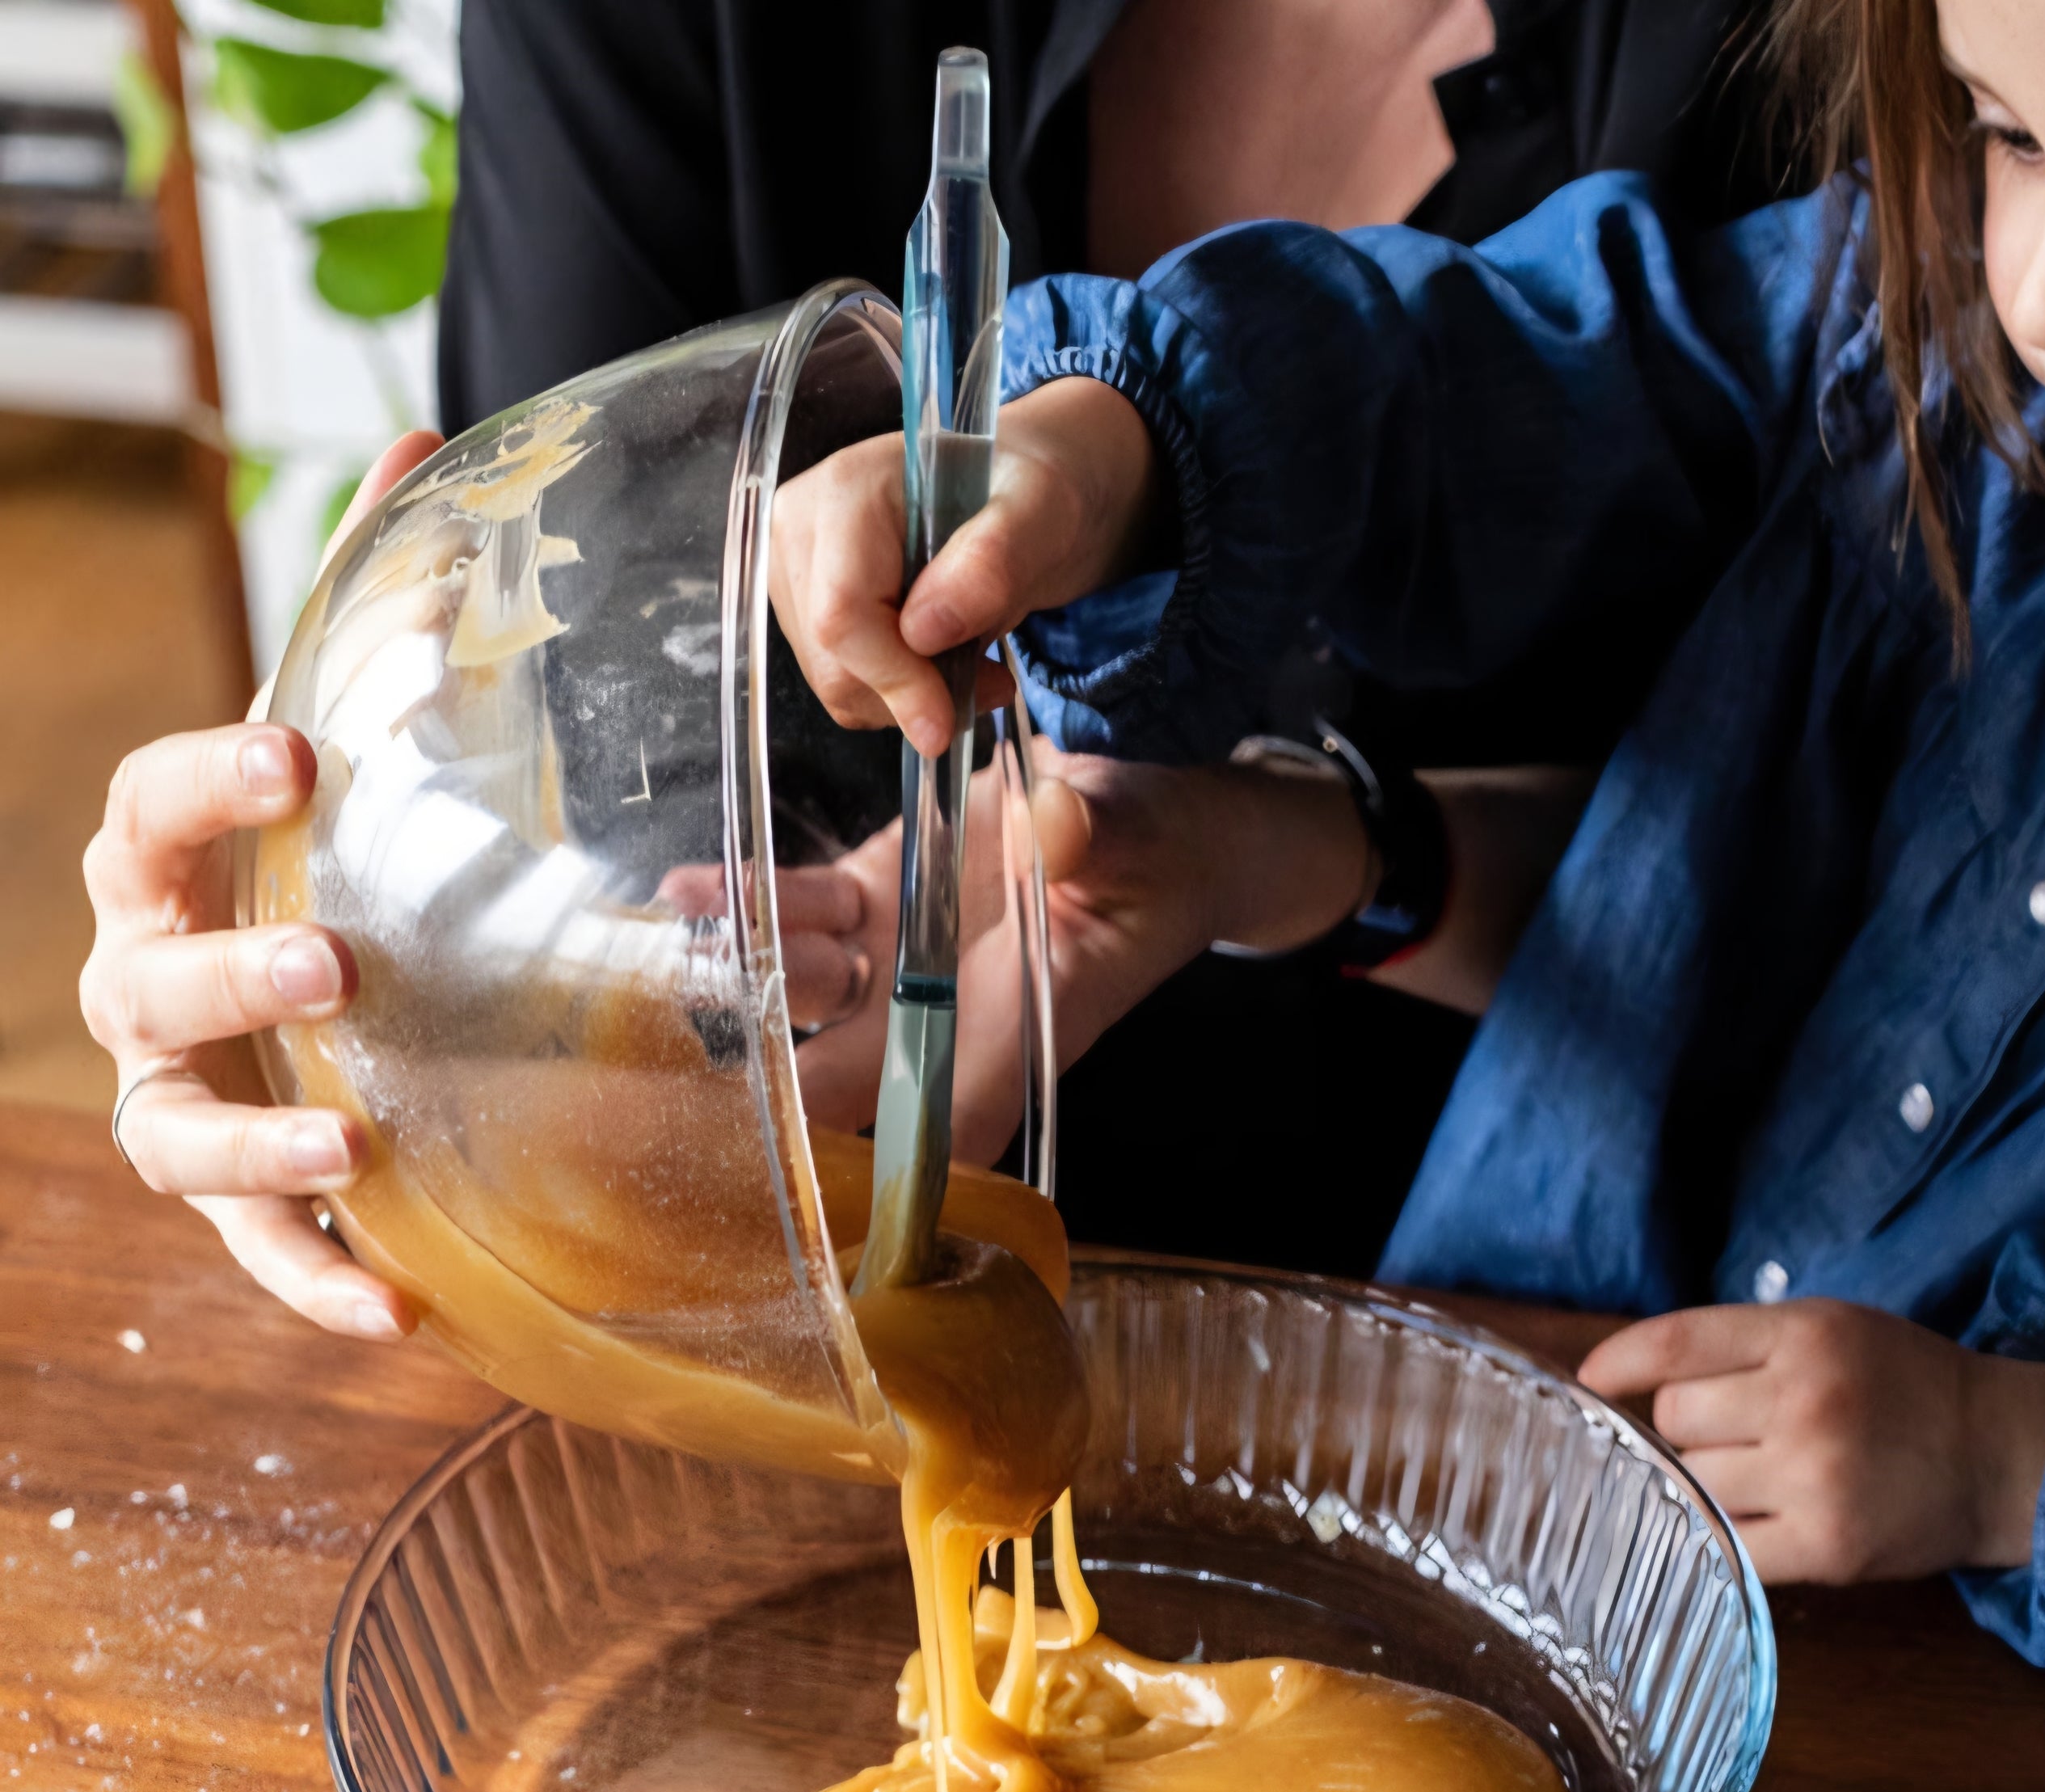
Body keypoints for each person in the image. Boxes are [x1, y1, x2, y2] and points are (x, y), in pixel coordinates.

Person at [757, 0, 2045, 1687]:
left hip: (1981, 1774)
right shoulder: (1905, 350)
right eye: (2003, 132)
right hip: (1485, 1556)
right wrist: (1100, 461)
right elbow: (1468, 377)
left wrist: (2014, 1452)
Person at [79, 0, 1793, 1304]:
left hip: (1569, 1365)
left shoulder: (1949, 107)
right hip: (790, 1335)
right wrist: (358, 1015)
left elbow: (1874, 886)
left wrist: (1291, 851)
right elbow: (575, 764)